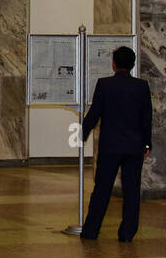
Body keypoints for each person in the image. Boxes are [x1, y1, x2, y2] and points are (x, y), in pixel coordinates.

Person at [61, 46, 152, 242]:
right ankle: (127, 234)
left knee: (102, 190)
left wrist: (82, 134)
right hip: (134, 147)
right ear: (133, 64)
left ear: (113, 64)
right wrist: (147, 144)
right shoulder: (142, 86)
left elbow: (95, 113)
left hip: (110, 147)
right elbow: (147, 118)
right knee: (132, 191)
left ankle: (91, 231)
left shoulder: (105, 85)